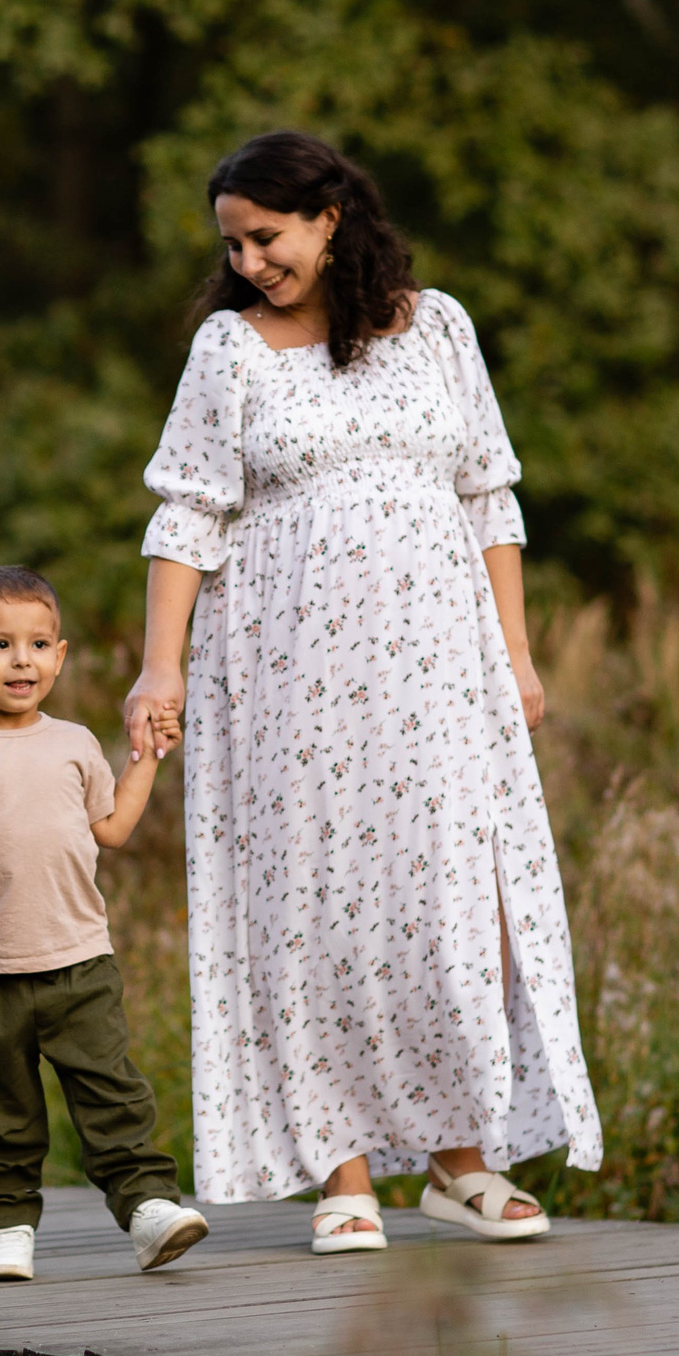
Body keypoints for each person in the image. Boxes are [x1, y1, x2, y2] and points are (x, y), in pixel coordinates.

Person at [124, 131, 603, 1254]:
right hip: (285, 675)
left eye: (266, 236)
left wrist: (517, 651)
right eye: (232, 243)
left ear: (330, 218)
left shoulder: (435, 326)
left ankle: (459, 1162)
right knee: (315, 902)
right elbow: (186, 514)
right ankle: (341, 1169)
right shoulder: (228, 352)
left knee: (445, 901)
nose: (247, 260)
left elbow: (488, 493)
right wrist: (160, 663)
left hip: (439, 665)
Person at [0, 565, 212, 1283]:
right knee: (1, 1107)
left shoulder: (72, 744)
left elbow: (115, 826)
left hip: (80, 962)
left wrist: (148, 755)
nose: (21, 660)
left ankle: (149, 1209)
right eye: (0, 644)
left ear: (60, 656)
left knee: (112, 1090)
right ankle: (6, 1227)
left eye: (37, 645)